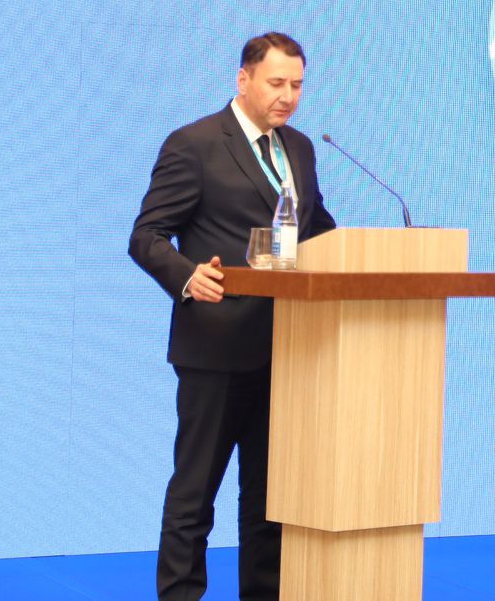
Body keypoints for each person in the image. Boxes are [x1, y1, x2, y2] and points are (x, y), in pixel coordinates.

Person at [129, 32, 336, 600]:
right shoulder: (194, 144)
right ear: (242, 80)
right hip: (216, 348)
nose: (288, 96)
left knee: (269, 500)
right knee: (195, 494)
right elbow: (146, 237)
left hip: (286, 348)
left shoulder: (299, 148)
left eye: (297, 85)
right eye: (276, 83)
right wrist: (185, 276)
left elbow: (317, 230)